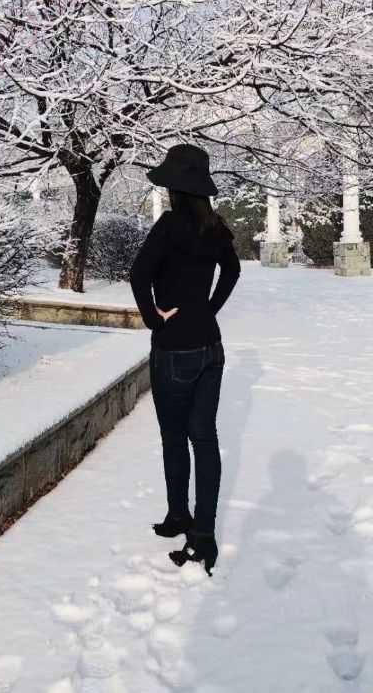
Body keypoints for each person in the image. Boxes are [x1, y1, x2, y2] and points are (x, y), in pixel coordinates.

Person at [129, 144, 241, 575]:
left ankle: (180, 514)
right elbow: (232, 271)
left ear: (174, 188)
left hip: (175, 349)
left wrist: (153, 318)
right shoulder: (216, 226)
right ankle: (203, 534)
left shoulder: (169, 225)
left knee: (175, 437)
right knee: (204, 438)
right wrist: (209, 309)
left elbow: (139, 274)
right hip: (211, 348)